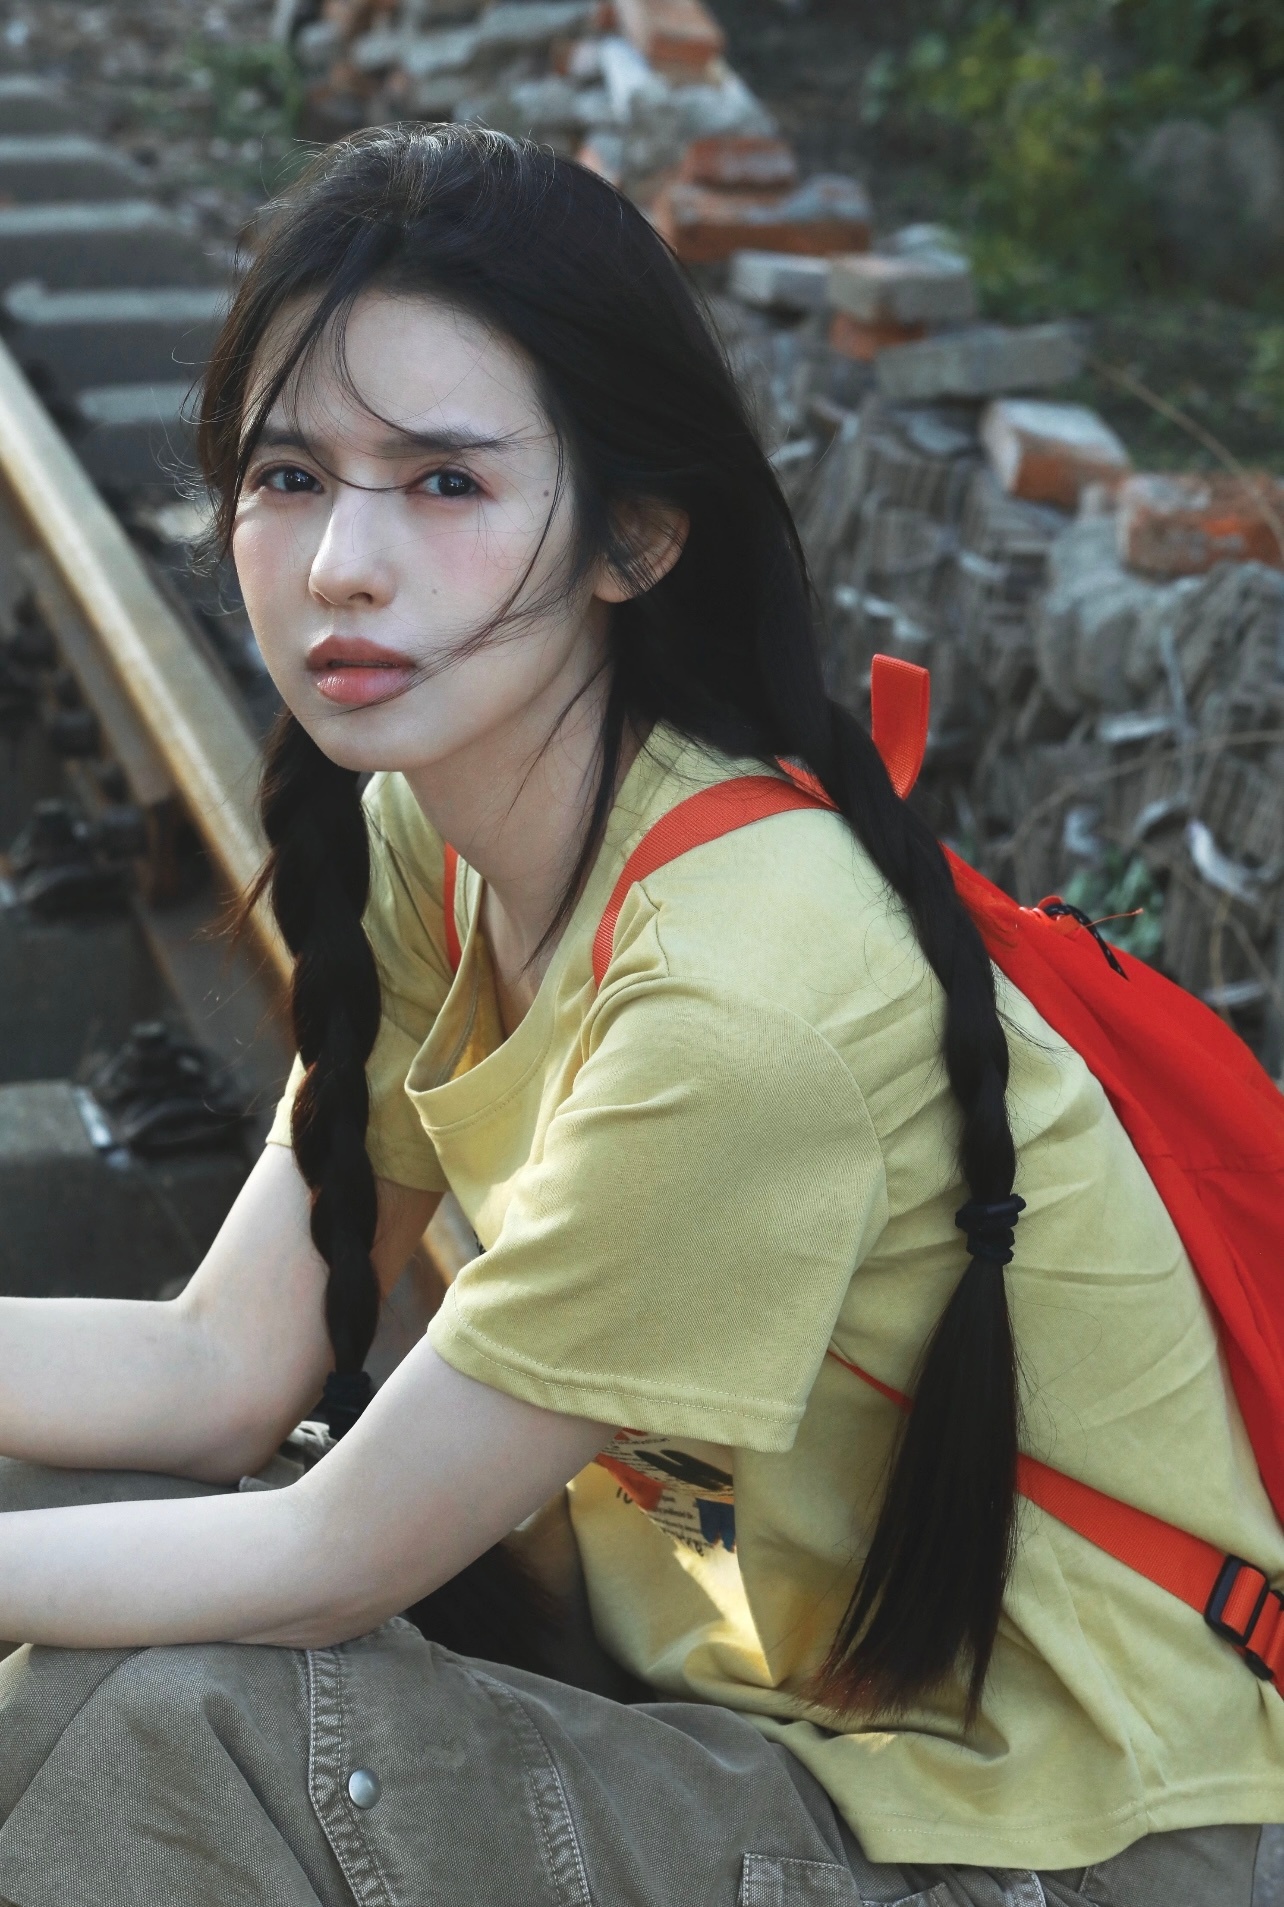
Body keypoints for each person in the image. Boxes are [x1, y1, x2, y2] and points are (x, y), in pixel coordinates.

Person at [0, 124, 1276, 1907]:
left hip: (1056, 1833)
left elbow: (330, 1555)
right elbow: (223, 1370)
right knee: (71, 1547)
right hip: (773, 1719)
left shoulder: (744, 1003)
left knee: (153, 1726)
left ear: (636, 535)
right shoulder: (440, 840)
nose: (342, 562)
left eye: (446, 482)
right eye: (288, 474)